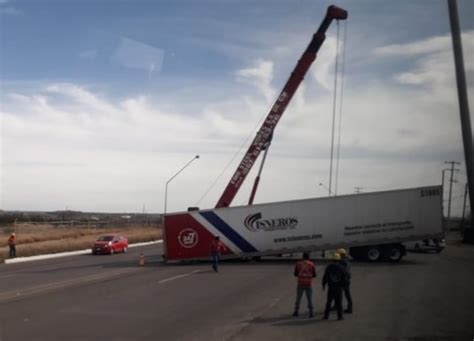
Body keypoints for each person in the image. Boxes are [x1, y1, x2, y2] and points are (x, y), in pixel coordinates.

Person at [322, 252, 348, 320]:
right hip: (338, 288)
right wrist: (344, 286)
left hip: (331, 287)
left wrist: (323, 284)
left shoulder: (329, 267)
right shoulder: (342, 268)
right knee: (339, 303)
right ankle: (340, 316)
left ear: (332, 259)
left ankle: (326, 316)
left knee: (328, 302)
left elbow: (325, 276)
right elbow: (345, 278)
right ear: (339, 260)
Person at [292, 252, 316, 318]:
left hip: (300, 283)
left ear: (302, 257)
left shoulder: (298, 264)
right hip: (308, 284)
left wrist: (301, 273)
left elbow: (295, 274)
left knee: (298, 298)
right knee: (309, 299)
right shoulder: (311, 264)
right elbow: (314, 275)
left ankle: (296, 311)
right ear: (308, 257)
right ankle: (311, 313)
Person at [336, 248, 353, 313]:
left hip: (343, 280)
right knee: (347, 294)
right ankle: (350, 308)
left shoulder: (342, 261)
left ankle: (337, 306)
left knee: (338, 293)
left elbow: (341, 271)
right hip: (347, 279)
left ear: (341, 254)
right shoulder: (347, 260)